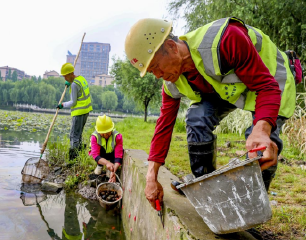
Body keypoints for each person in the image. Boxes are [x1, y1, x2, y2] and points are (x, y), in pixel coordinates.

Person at [124, 17, 296, 209]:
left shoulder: (226, 39)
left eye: (156, 67)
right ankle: (207, 190)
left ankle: (250, 211)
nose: (157, 75)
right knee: (197, 118)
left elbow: (266, 87)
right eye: (151, 72)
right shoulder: (172, 82)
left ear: (172, 47)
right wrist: (151, 176)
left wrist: (262, 129)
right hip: (230, 90)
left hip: (270, 80)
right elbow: (163, 126)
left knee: (260, 145)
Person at [58, 63, 93, 160]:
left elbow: (73, 102)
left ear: (70, 74)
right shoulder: (81, 79)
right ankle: (80, 156)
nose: (65, 79)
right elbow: (80, 91)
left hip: (79, 112)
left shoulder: (74, 85)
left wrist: (62, 105)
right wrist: (70, 84)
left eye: (65, 76)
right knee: (79, 134)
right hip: (86, 111)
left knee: (74, 136)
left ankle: (73, 159)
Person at [89, 115, 123, 183]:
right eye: (103, 133)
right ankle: (100, 165)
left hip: (112, 154)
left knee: (118, 155)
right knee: (100, 155)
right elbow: (95, 155)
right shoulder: (94, 137)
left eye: (108, 132)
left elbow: (118, 156)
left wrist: (113, 171)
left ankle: (110, 169)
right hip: (101, 155)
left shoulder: (117, 136)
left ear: (111, 129)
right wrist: (107, 163)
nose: (106, 135)